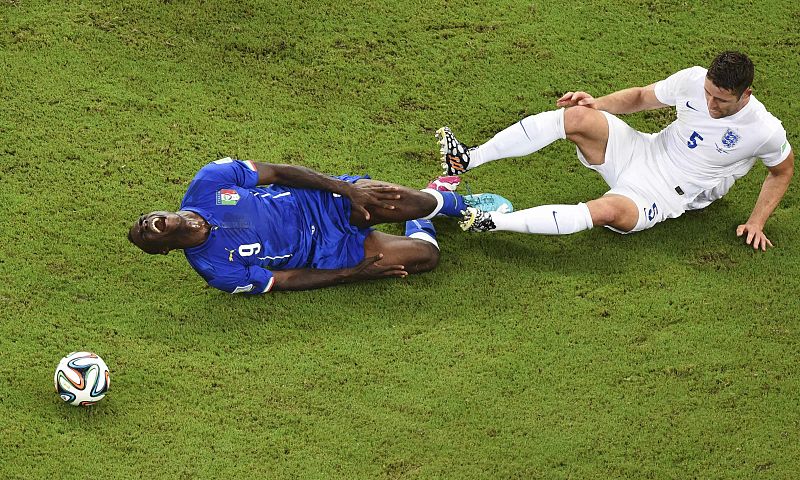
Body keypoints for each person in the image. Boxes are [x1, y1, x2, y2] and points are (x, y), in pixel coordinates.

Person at [437, 51, 793, 251]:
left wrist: (756, 221)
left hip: (666, 194)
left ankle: (491, 222)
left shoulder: (764, 130)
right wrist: (598, 104)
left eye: (721, 101)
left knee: (605, 211)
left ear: (745, 94)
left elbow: (782, 171)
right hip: (643, 150)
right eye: (708, 94)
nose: (711, 104)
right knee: (578, 116)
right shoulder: (692, 80)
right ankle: (468, 157)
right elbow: (640, 97)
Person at [128, 158, 474, 293]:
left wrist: (345, 189)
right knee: (426, 257)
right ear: (164, 249)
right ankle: (422, 222)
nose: (145, 224)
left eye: (142, 219)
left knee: (407, 201)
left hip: (322, 203)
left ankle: (456, 203)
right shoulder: (217, 270)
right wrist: (350, 274)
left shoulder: (208, 182)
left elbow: (279, 173)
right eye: (144, 234)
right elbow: (284, 280)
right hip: (327, 251)